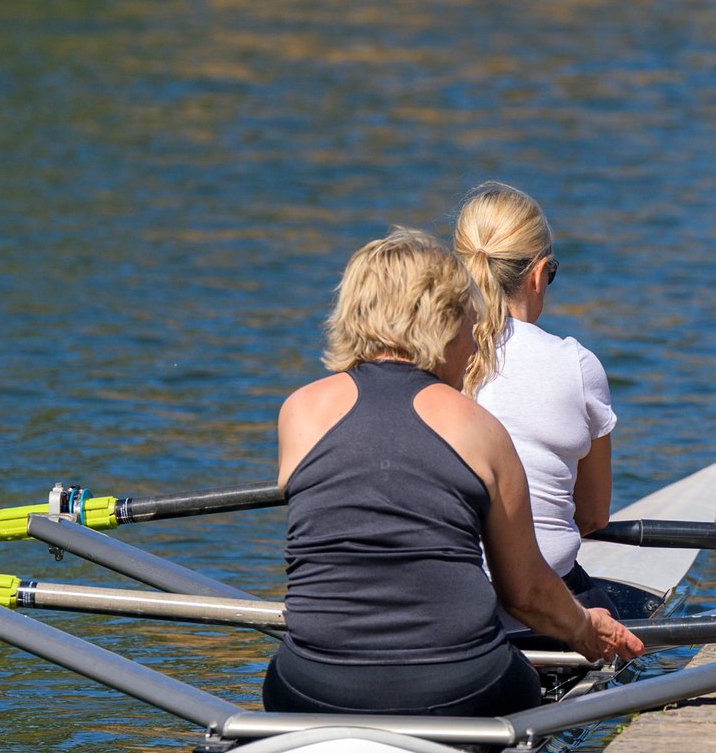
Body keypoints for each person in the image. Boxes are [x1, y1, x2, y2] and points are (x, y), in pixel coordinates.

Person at [268, 227, 643, 715]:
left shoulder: (299, 412)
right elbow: (527, 594)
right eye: (468, 319)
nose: (473, 343)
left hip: (308, 687)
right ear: (443, 323)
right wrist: (585, 630)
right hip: (455, 687)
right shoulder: (479, 429)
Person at [453, 182, 619, 612]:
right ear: (537, 273)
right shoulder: (576, 365)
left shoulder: (428, 357)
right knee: (610, 605)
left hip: (443, 596)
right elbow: (593, 517)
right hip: (539, 600)